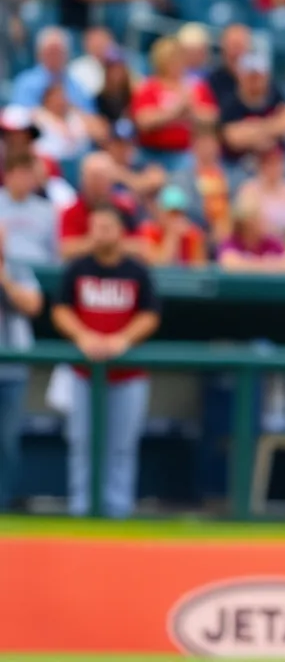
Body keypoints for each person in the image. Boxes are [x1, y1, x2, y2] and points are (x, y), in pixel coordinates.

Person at [52, 204, 161, 518]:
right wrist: (83, 336)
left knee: (121, 446)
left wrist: (122, 339)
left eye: (106, 227)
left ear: (121, 232)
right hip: (84, 372)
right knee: (82, 442)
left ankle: (118, 510)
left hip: (127, 374)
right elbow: (60, 309)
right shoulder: (77, 267)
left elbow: (151, 314)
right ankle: (81, 508)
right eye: (95, 226)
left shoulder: (136, 270)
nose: (100, 233)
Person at [0, 226, 44, 511]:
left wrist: (5, 281)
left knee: (6, 443)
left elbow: (33, 305)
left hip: (11, 371)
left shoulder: (17, 269)